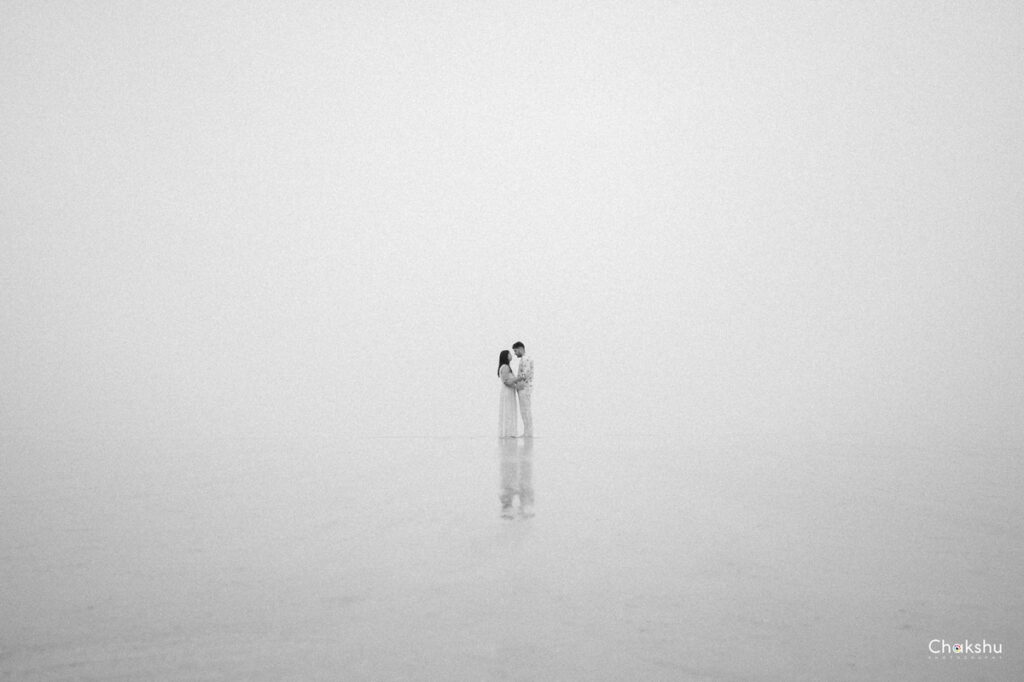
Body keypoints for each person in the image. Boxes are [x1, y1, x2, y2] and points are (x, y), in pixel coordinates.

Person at [512, 341, 533, 437]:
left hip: (525, 388)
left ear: (520, 349)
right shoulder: (524, 359)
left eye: (516, 351)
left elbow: (524, 375)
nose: (515, 354)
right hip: (523, 388)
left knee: (526, 410)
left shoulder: (526, 359)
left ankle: (528, 433)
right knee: (524, 410)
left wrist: (514, 380)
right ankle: (527, 432)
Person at [497, 350, 519, 438]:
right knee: (508, 410)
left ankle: (508, 432)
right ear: (506, 356)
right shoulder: (505, 367)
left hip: (508, 391)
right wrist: (518, 379)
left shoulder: (504, 366)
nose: (511, 355)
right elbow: (506, 381)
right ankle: (508, 433)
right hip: (507, 392)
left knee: (509, 410)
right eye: (509, 354)